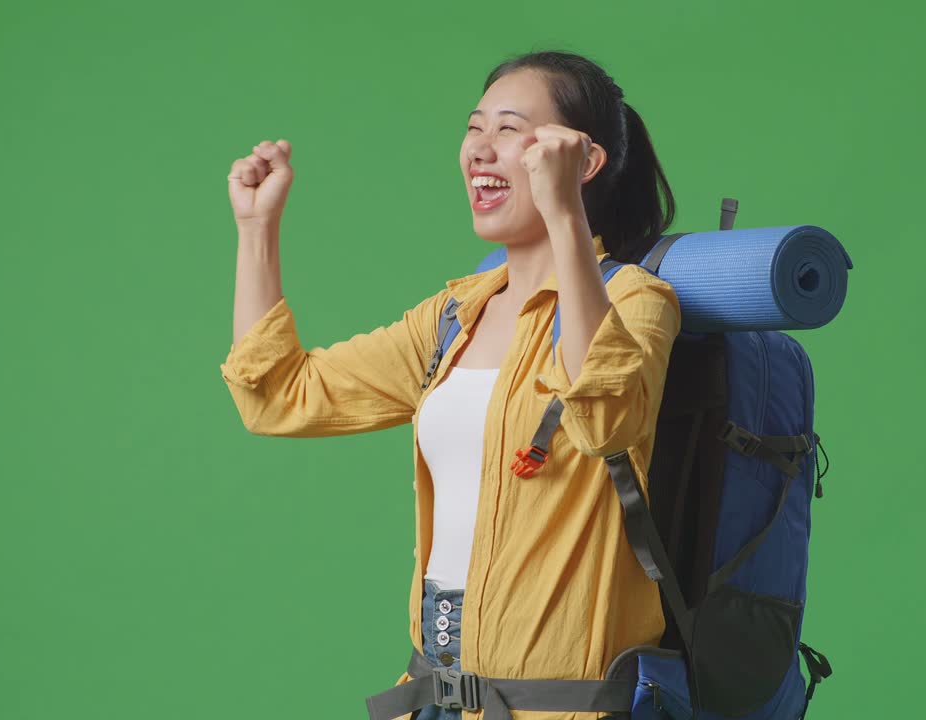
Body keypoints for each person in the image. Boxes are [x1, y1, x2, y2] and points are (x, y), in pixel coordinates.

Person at [220, 50, 682, 720]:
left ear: (581, 160)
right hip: (437, 692)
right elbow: (277, 395)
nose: (480, 151)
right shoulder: (452, 318)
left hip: (565, 706)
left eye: (509, 129)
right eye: (475, 128)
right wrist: (256, 227)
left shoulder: (636, 301)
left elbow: (603, 419)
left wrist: (565, 217)